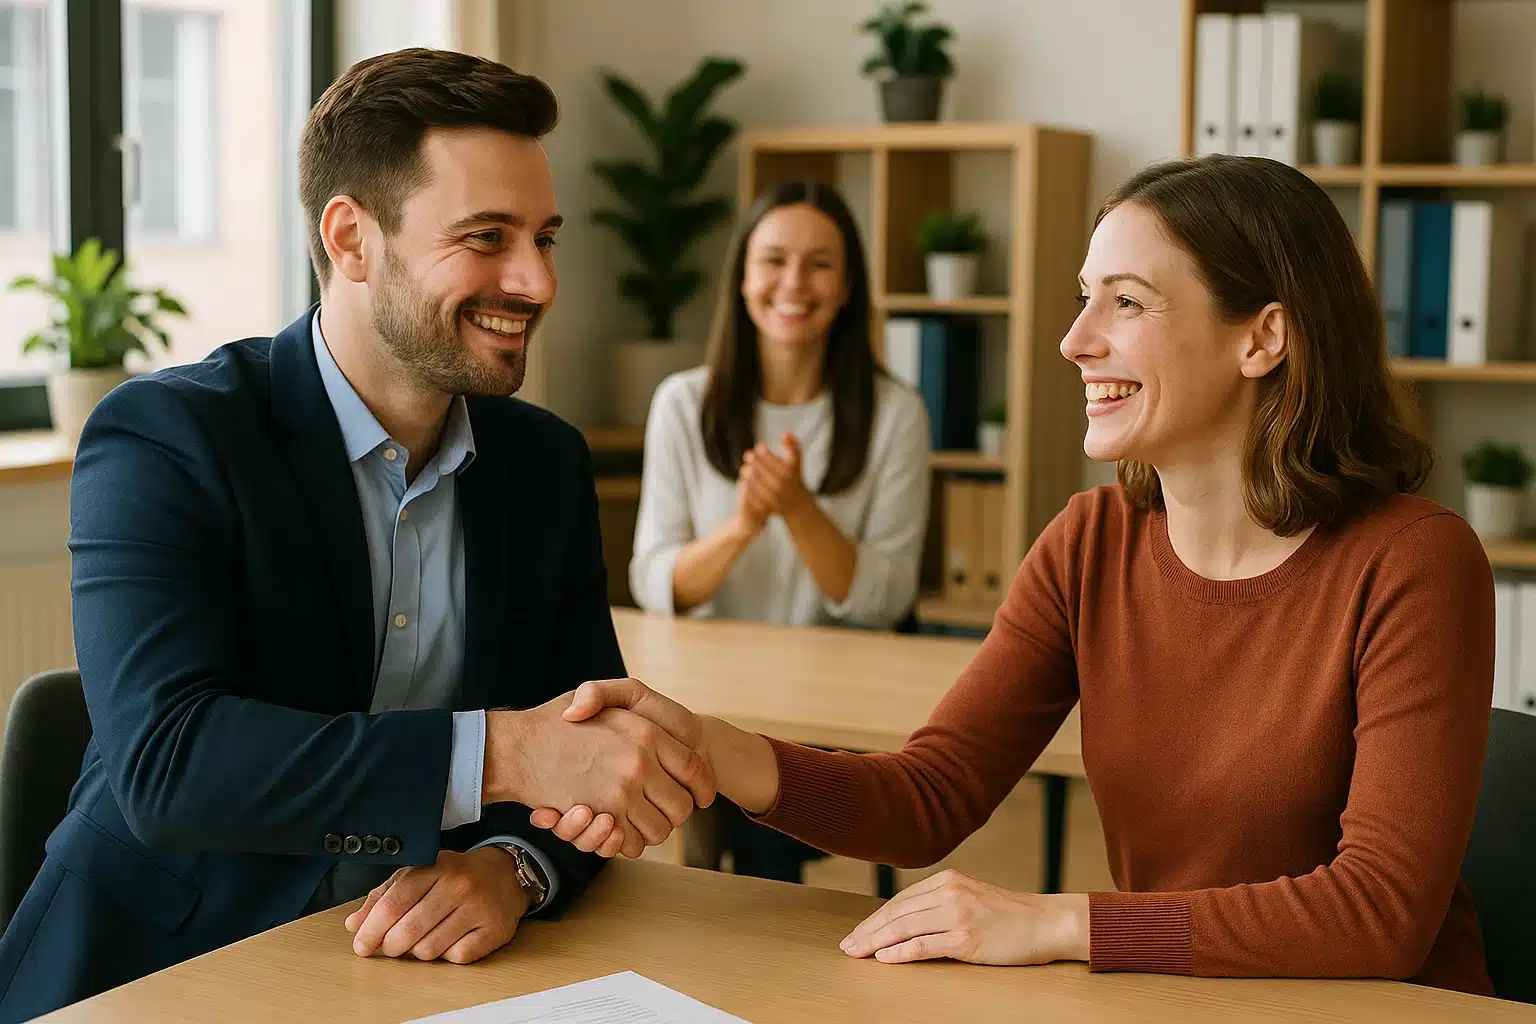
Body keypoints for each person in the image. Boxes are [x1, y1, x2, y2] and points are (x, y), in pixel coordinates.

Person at [535, 154, 1497, 995]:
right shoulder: (1092, 541)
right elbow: (932, 795)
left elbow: (1381, 911)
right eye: (1085, 298)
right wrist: (709, 747)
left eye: (1126, 301)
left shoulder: (1413, 562)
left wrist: (1059, 923)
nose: (1077, 339)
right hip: (1186, 999)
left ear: (1263, 338)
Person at [0, 48, 711, 1021]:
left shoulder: (542, 464)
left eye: (546, 237)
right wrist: (502, 754)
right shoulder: (167, 437)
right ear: (350, 237)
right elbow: (174, 765)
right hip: (151, 974)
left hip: (410, 981)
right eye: (488, 236)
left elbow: (581, 759)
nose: (538, 280)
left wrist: (513, 868)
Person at [626, 181, 931, 880]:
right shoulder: (682, 402)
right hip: (704, 695)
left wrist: (798, 510)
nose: (795, 283)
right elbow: (655, 580)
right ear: (742, 277)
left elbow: (884, 597)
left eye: (820, 264)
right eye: (774, 260)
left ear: (849, 285)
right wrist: (742, 527)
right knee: (675, 797)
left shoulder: (895, 414)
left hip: (829, 720)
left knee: (759, 817)